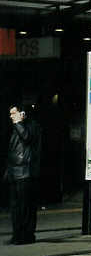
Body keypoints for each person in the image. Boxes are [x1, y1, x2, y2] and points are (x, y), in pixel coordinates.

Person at [5, 104, 40, 244]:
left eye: (14, 113)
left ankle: (27, 236)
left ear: (22, 114)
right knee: (15, 207)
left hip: (25, 172)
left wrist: (18, 123)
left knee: (25, 207)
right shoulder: (16, 127)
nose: (11, 116)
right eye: (10, 114)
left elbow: (27, 137)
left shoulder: (31, 126)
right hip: (14, 172)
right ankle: (17, 235)